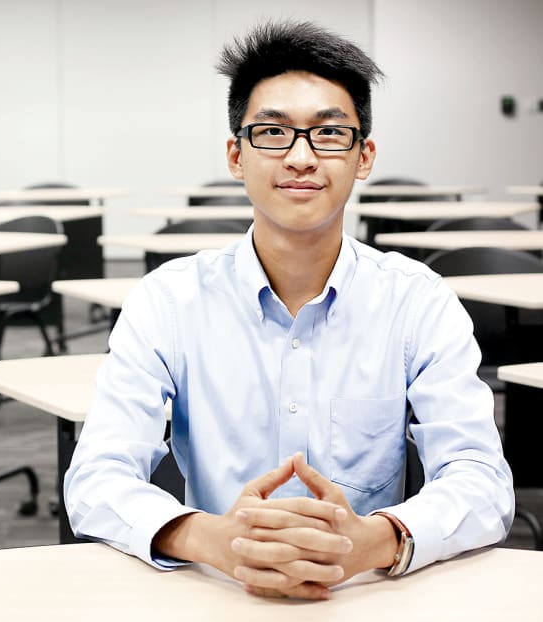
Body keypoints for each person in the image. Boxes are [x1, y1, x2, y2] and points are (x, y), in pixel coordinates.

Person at [64, 20, 514, 600]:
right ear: (236, 154)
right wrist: (212, 538)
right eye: (272, 132)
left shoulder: (417, 301)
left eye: (329, 134)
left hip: (368, 593)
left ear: (364, 156)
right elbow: (96, 475)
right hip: (214, 591)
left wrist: (373, 541)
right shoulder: (168, 302)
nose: (301, 158)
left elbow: (482, 480)